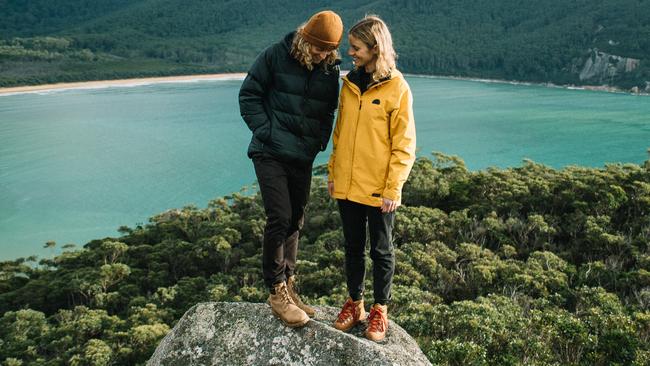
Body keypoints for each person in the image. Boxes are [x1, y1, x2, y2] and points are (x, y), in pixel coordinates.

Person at [239, 10, 343, 328]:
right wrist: (267, 132)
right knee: (280, 217)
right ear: (305, 38)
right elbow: (248, 95)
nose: (321, 54)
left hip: (302, 157)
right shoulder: (275, 55)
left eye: (327, 50)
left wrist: (318, 144)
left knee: (296, 220)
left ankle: (289, 284)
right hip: (269, 153)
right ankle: (275, 291)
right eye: (317, 47)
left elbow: (327, 113)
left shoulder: (329, 70)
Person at [327, 15, 416, 341]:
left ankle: (380, 310)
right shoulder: (349, 84)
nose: (350, 53)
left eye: (356, 48)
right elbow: (340, 134)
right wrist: (334, 172)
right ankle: (355, 303)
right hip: (348, 184)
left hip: (380, 189)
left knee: (381, 250)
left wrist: (394, 187)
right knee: (352, 247)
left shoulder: (397, 88)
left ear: (375, 48)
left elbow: (404, 146)